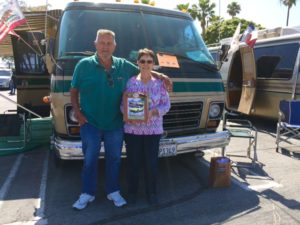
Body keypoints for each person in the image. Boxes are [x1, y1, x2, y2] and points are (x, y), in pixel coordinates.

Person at [70, 29, 172, 210]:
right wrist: (78, 113)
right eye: (102, 43)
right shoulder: (83, 65)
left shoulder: (123, 65)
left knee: (115, 159)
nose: (105, 47)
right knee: (90, 160)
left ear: (115, 46)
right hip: (91, 123)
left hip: (116, 124)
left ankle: (113, 191)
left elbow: (145, 70)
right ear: (95, 44)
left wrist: (162, 76)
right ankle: (87, 193)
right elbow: (74, 90)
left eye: (109, 43)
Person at [122, 48, 170, 205]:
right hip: (132, 130)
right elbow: (123, 105)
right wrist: (128, 115)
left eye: (149, 61)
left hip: (153, 130)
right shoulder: (130, 83)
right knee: (133, 163)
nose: (146, 64)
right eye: (142, 61)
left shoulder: (160, 84)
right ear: (138, 63)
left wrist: (154, 112)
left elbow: (166, 104)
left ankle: (152, 193)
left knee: (151, 164)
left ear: (153, 64)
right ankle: (132, 193)